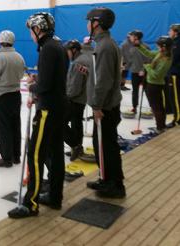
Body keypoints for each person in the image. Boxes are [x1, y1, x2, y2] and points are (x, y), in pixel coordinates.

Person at [8, 12, 67, 219]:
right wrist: (40, 81)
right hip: (59, 107)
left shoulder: (48, 49)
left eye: (31, 30)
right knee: (56, 153)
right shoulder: (57, 45)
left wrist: (34, 86)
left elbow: (46, 85)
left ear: (38, 29)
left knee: (35, 154)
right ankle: (55, 196)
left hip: (48, 110)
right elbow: (53, 78)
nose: (31, 34)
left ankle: (30, 203)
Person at [83, 7, 126, 198]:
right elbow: (101, 74)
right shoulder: (105, 44)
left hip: (106, 107)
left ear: (96, 24)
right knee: (102, 144)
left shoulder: (105, 46)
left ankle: (115, 185)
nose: (86, 25)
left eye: (89, 21)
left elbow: (105, 81)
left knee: (107, 146)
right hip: (106, 104)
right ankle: (106, 178)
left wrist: (97, 105)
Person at [0, 30, 26, 168]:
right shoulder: (19, 56)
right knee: (15, 126)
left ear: (0, 41)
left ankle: (6, 158)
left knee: (3, 128)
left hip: (1, 96)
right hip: (15, 94)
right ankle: (16, 156)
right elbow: (21, 74)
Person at [136, 36, 174, 133]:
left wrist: (147, 66)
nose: (157, 47)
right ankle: (161, 126)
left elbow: (156, 75)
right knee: (159, 106)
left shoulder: (166, 60)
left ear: (164, 47)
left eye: (158, 46)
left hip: (154, 85)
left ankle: (160, 127)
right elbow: (149, 53)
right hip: (154, 84)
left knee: (156, 107)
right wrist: (139, 46)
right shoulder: (161, 53)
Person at [63, 39, 89, 161]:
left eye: (67, 51)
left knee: (60, 123)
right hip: (80, 99)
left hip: (75, 99)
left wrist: (66, 97)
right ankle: (77, 147)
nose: (66, 54)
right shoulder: (81, 59)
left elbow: (75, 86)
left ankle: (75, 146)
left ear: (73, 50)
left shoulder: (78, 62)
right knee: (76, 124)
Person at [122, 30, 150, 119]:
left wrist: (143, 70)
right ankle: (134, 107)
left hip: (144, 73)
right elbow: (130, 61)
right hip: (134, 73)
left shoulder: (145, 47)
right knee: (135, 91)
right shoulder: (132, 48)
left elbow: (149, 60)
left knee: (147, 90)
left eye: (132, 36)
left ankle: (152, 108)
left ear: (136, 37)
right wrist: (124, 67)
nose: (130, 37)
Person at [167, 24, 180, 128]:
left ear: (176, 32)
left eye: (170, 31)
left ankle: (177, 120)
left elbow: (172, 59)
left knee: (175, 98)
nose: (168, 33)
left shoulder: (176, 43)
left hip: (175, 74)